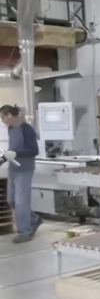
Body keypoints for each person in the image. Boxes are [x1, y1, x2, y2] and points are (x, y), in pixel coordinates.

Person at [0, 104, 42, 243]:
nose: (2, 121)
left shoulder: (27, 130)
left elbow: (34, 150)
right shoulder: (11, 129)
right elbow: (12, 149)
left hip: (25, 169)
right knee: (11, 200)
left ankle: (25, 231)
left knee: (21, 202)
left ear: (10, 116)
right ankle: (34, 219)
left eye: (3, 117)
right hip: (13, 169)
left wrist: (17, 153)